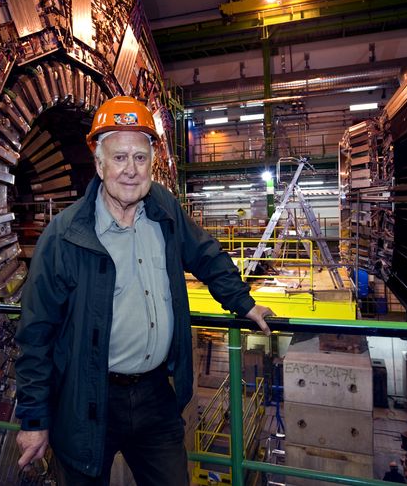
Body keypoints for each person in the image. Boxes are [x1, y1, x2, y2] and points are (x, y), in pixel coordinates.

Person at [14, 96, 275, 485]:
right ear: (98, 164)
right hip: (88, 399)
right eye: (119, 158)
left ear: (152, 161)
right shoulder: (65, 235)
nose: (131, 170)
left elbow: (205, 253)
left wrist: (243, 302)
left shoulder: (164, 209)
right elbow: (36, 333)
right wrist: (34, 420)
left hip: (156, 395)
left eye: (140, 157)